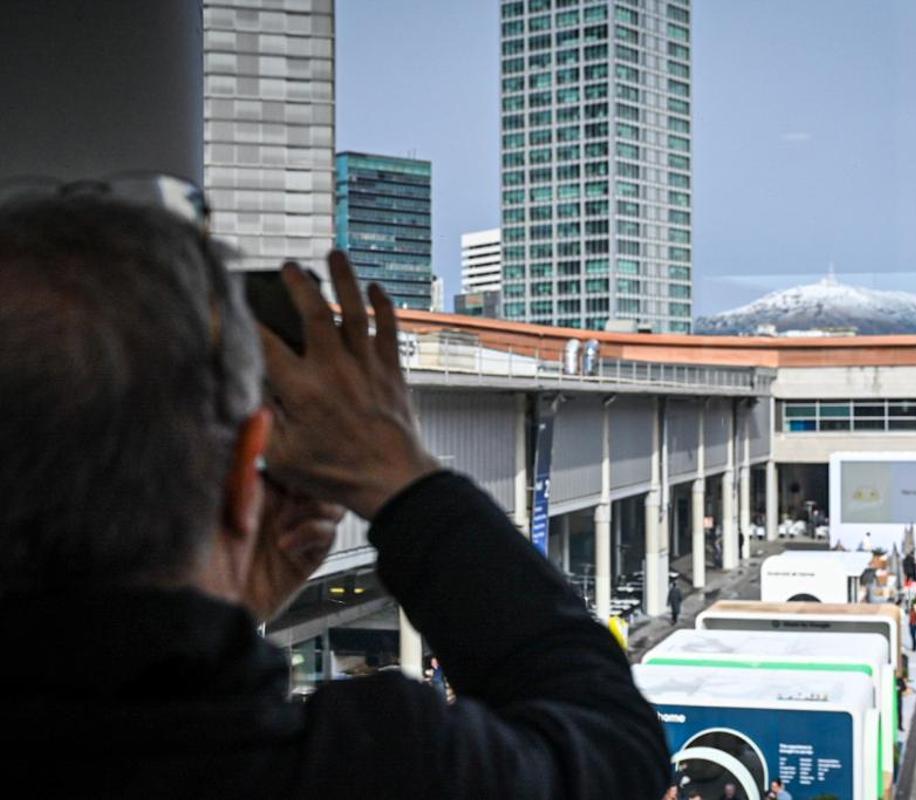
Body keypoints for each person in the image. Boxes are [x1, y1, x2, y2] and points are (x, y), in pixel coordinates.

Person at [0, 196, 670, 797]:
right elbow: (613, 746)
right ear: (242, 475)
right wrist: (406, 480)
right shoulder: (371, 769)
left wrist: (225, 604)